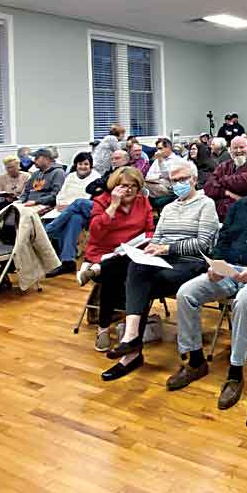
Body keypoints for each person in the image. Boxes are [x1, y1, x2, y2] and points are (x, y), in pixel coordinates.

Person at [166, 157, 247, 410]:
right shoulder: (239, 207)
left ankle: (236, 371)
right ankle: (195, 360)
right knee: (186, 293)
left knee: (245, 300)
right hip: (230, 271)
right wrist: (215, 264)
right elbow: (223, 240)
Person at [99, 160, 219, 380]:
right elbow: (158, 237)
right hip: (165, 261)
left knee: (138, 283)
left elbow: (204, 244)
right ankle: (132, 338)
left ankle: (132, 350)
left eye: (182, 179)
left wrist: (167, 248)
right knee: (137, 266)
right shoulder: (169, 207)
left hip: (192, 263)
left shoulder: (206, 204)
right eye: (174, 180)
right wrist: (151, 247)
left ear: (193, 179)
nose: (178, 184)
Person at [78, 167, 155, 353]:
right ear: (114, 187)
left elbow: (150, 229)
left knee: (122, 268)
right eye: (123, 186)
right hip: (104, 251)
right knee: (113, 275)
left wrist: (147, 241)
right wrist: (113, 205)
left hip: (132, 251)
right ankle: (103, 329)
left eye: (133, 186)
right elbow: (95, 233)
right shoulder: (102, 201)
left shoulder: (143, 201)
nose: (128, 190)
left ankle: (96, 271)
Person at [41, 151, 97, 275]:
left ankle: (48, 231)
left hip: (86, 213)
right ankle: (68, 261)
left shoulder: (95, 177)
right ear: (76, 165)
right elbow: (61, 193)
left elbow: (87, 199)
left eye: (86, 164)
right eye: (80, 164)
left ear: (91, 166)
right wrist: (60, 203)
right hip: (68, 211)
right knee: (74, 219)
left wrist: (68, 206)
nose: (82, 166)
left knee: (77, 208)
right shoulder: (71, 176)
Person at [203, 135, 247, 221]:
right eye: (235, 148)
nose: (238, 151)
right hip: (220, 217)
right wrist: (226, 192)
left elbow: (243, 184)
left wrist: (222, 180)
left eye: (241, 147)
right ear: (230, 150)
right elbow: (208, 188)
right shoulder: (224, 166)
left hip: (245, 215)